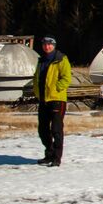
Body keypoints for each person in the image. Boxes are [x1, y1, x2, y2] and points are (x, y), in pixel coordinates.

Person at [33, 36, 72, 167]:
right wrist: (37, 92)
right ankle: (48, 153)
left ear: (54, 46)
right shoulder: (41, 60)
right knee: (42, 129)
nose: (47, 47)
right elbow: (37, 78)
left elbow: (66, 78)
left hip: (57, 99)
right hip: (44, 99)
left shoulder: (61, 59)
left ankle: (57, 157)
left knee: (56, 129)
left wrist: (56, 88)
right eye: (44, 44)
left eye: (49, 45)